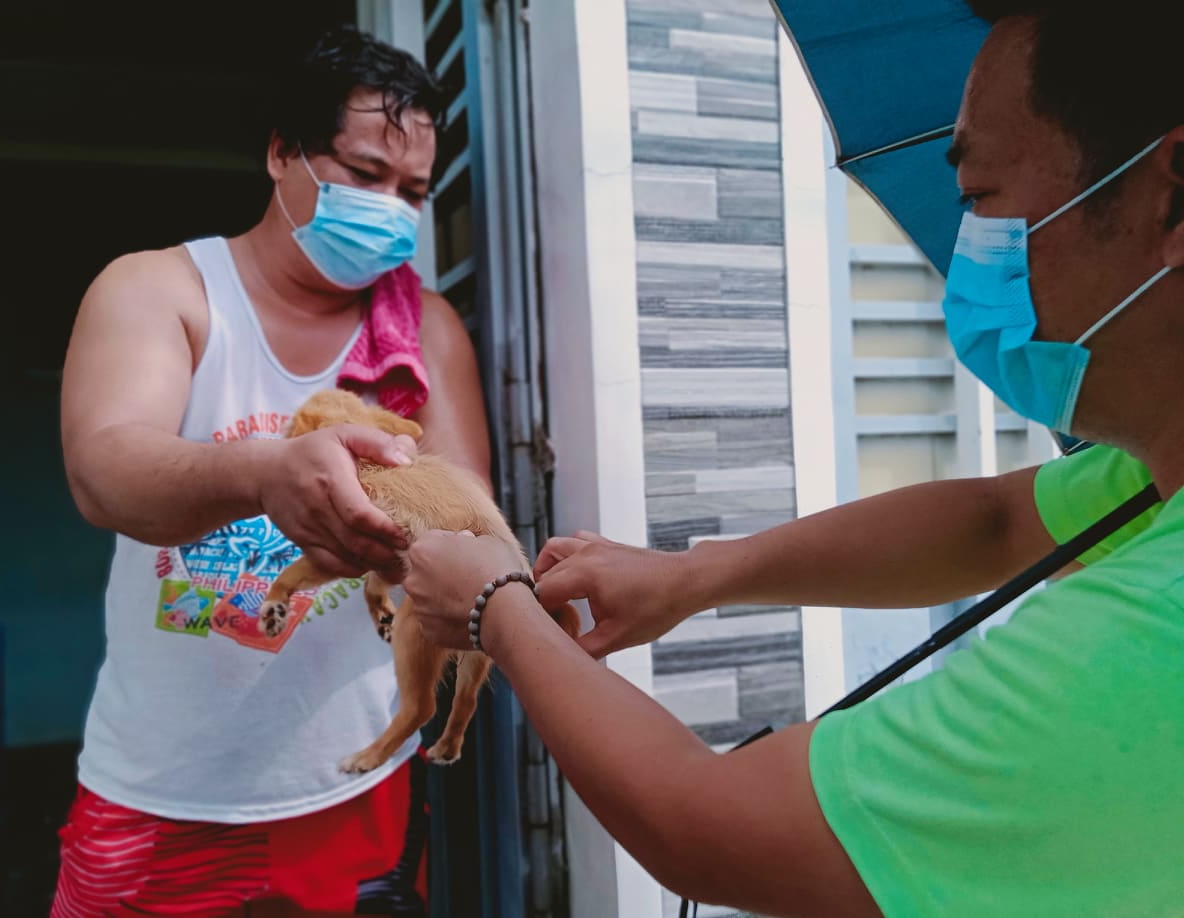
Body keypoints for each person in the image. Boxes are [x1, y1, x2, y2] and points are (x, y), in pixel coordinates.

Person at [401, 1, 1184, 914]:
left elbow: (704, 822)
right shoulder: (1150, 481)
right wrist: (694, 576)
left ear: (1172, 193)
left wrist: (499, 607)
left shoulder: (1149, 644)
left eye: (981, 200)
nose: (974, 253)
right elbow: (1000, 519)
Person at [52, 25, 490, 916]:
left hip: (356, 786)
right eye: (366, 176)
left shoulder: (425, 332)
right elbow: (105, 470)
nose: (394, 210)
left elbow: (463, 525)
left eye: (414, 191)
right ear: (283, 154)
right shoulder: (160, 290)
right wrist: (264, 474)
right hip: (165, 795)